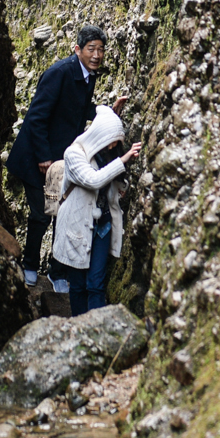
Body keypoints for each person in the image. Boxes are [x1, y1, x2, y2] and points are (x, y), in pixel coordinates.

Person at [6, 26, 127, 286]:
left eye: (101, 49)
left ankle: (56, 272)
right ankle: (29, 266)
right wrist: (43, 157)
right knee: (41, 213)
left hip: (61, 160)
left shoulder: (88, 75)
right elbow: (36, 117)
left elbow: (82, 109)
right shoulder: (59, 73)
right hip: (35, 157)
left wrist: (107, 113)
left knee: (64, 213)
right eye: (91, 49)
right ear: (77, 50)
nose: (97, 55)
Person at [51, 106, 141, 315]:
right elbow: (93, 180)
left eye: (116, 142)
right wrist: (123, 160)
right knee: (79, 284)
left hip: (102, 225)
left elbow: (111, 184)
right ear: (100, 134)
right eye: (111, 139)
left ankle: (96, 329)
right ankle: (80, 326)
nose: (113, 146)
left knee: (96, 283)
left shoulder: (106, 154)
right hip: (77, 224)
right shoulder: (74, 154)